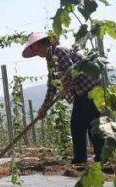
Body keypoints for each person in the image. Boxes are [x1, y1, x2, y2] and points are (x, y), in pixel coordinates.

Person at [22, 32, 104, 165]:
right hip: (79, 92)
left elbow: (72, 72)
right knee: (76, 124)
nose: (36, 53)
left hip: (90, 88)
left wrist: (64, 86)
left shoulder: (60, 51)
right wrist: (44, 107)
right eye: (33, 50)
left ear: (42, 44)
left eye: (35, 48)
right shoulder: (50, 59)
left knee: (91, 123)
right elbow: (52, 84)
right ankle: (79, 160)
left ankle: (102, 158)